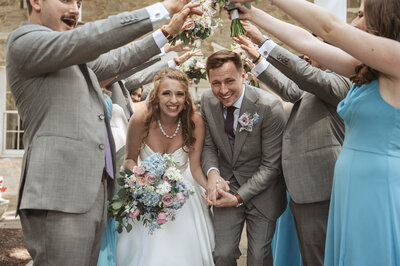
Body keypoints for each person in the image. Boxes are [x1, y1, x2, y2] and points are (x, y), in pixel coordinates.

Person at [5, 0, 201, 264]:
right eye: (66, 0)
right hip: (59, 195)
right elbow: (91, 37)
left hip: (94, 193)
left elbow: (119, 60)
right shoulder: (25, 42)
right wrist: (163, 9)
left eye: (79, 2)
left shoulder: (73, 61)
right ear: (36, 2)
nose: (75, 9)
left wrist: (166, 32)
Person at [234, 0, 400, 264]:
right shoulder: (367, 70)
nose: (354, 25)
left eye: (360, 15)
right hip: (350, 185)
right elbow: (307, 42)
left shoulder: (397, 61)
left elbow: (329, 27)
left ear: (385, 19)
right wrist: (254, 13)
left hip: (376, 183)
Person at [234, 21, 352, 266]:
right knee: (312, 258)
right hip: (303, 189)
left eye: (315, 48)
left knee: (322, 258)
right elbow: (290, 89)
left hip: (323, 188)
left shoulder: (340, 80)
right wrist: (257, 58)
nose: (307, 54)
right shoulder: (314, 87)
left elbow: (304, 75)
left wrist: (264, 43)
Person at [119, 67, 214, 266]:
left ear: (186, 97)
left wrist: (210, 190)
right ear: (156, 96)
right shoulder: (141, 119)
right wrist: (140, 183)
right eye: (166, 93)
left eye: (180, 94)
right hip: (145, 198)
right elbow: (129, 159)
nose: (174, 100)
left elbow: (195, 168)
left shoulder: (194, 121)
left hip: (183, 197)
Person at [201, 50, 287, 266]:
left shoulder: (268, 107)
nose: (223, 90)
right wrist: (213, 174)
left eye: (230, 81)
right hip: (227, 187)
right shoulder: (207, 101)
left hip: (263, 192)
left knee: (258, 256)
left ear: (244, 75)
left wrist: (239, 198)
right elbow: (209, 146)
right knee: (222, 254)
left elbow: (271, 166)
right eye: (216, 83)